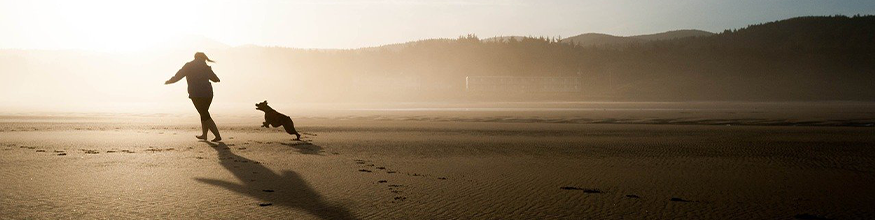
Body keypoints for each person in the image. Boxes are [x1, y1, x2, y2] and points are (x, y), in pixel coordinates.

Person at [165, 52, 222, 142]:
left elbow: (179, 75)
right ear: (203, 58)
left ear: (195, 57)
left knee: (204, 114)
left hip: (196, 94)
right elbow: (215, 79)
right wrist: (212, 76)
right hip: (208, 94)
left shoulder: (189, 65)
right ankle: (204, 135)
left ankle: (217, 135)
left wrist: (170, 81)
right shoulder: (205, 67)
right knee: (203, 113)